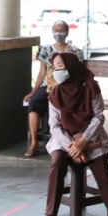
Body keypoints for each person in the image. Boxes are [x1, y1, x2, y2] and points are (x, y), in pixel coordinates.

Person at [34, 53, 108, 216]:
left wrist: (84, 141)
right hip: (64, 140)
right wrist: (73, 146)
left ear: (71, 66)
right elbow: (54, 126)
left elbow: (98, 116)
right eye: (54, 67)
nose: (57, 71)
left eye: (60, 66)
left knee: (102, 171)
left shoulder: (90, 87)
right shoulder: (55, 94)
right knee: (57, 164)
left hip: (91, 137)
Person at [23, 21, 83, 158]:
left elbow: (79, 73)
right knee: (33, 104)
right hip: (47, 87)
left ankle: (66, 143)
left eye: (61, 30)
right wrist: (32, 92)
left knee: (65, 109)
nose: (58, 33)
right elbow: (42, 73)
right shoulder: (46, 49)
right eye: (56, 30)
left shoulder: (74, 51)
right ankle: (34, 144)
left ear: (67, 33)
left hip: (66, 88)